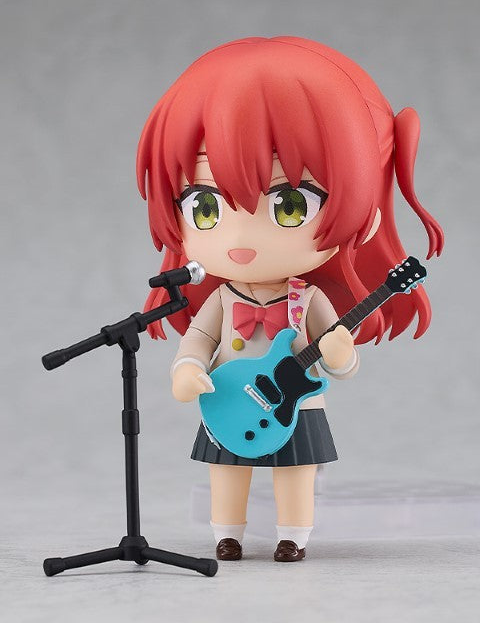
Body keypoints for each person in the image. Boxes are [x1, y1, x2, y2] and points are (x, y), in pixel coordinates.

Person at [136, 37, 443, 562]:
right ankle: (227, 532)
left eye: (290, 204)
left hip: (296, 405)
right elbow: (200, 338)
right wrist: (186, 368)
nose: (241, 237)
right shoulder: (223, 297)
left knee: (297, 471)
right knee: (225, 469)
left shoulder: (309, 297)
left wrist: (342, 356)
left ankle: (293, 535)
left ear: (364, 213)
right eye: (205, 206)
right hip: (230, 397)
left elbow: (338, 357)